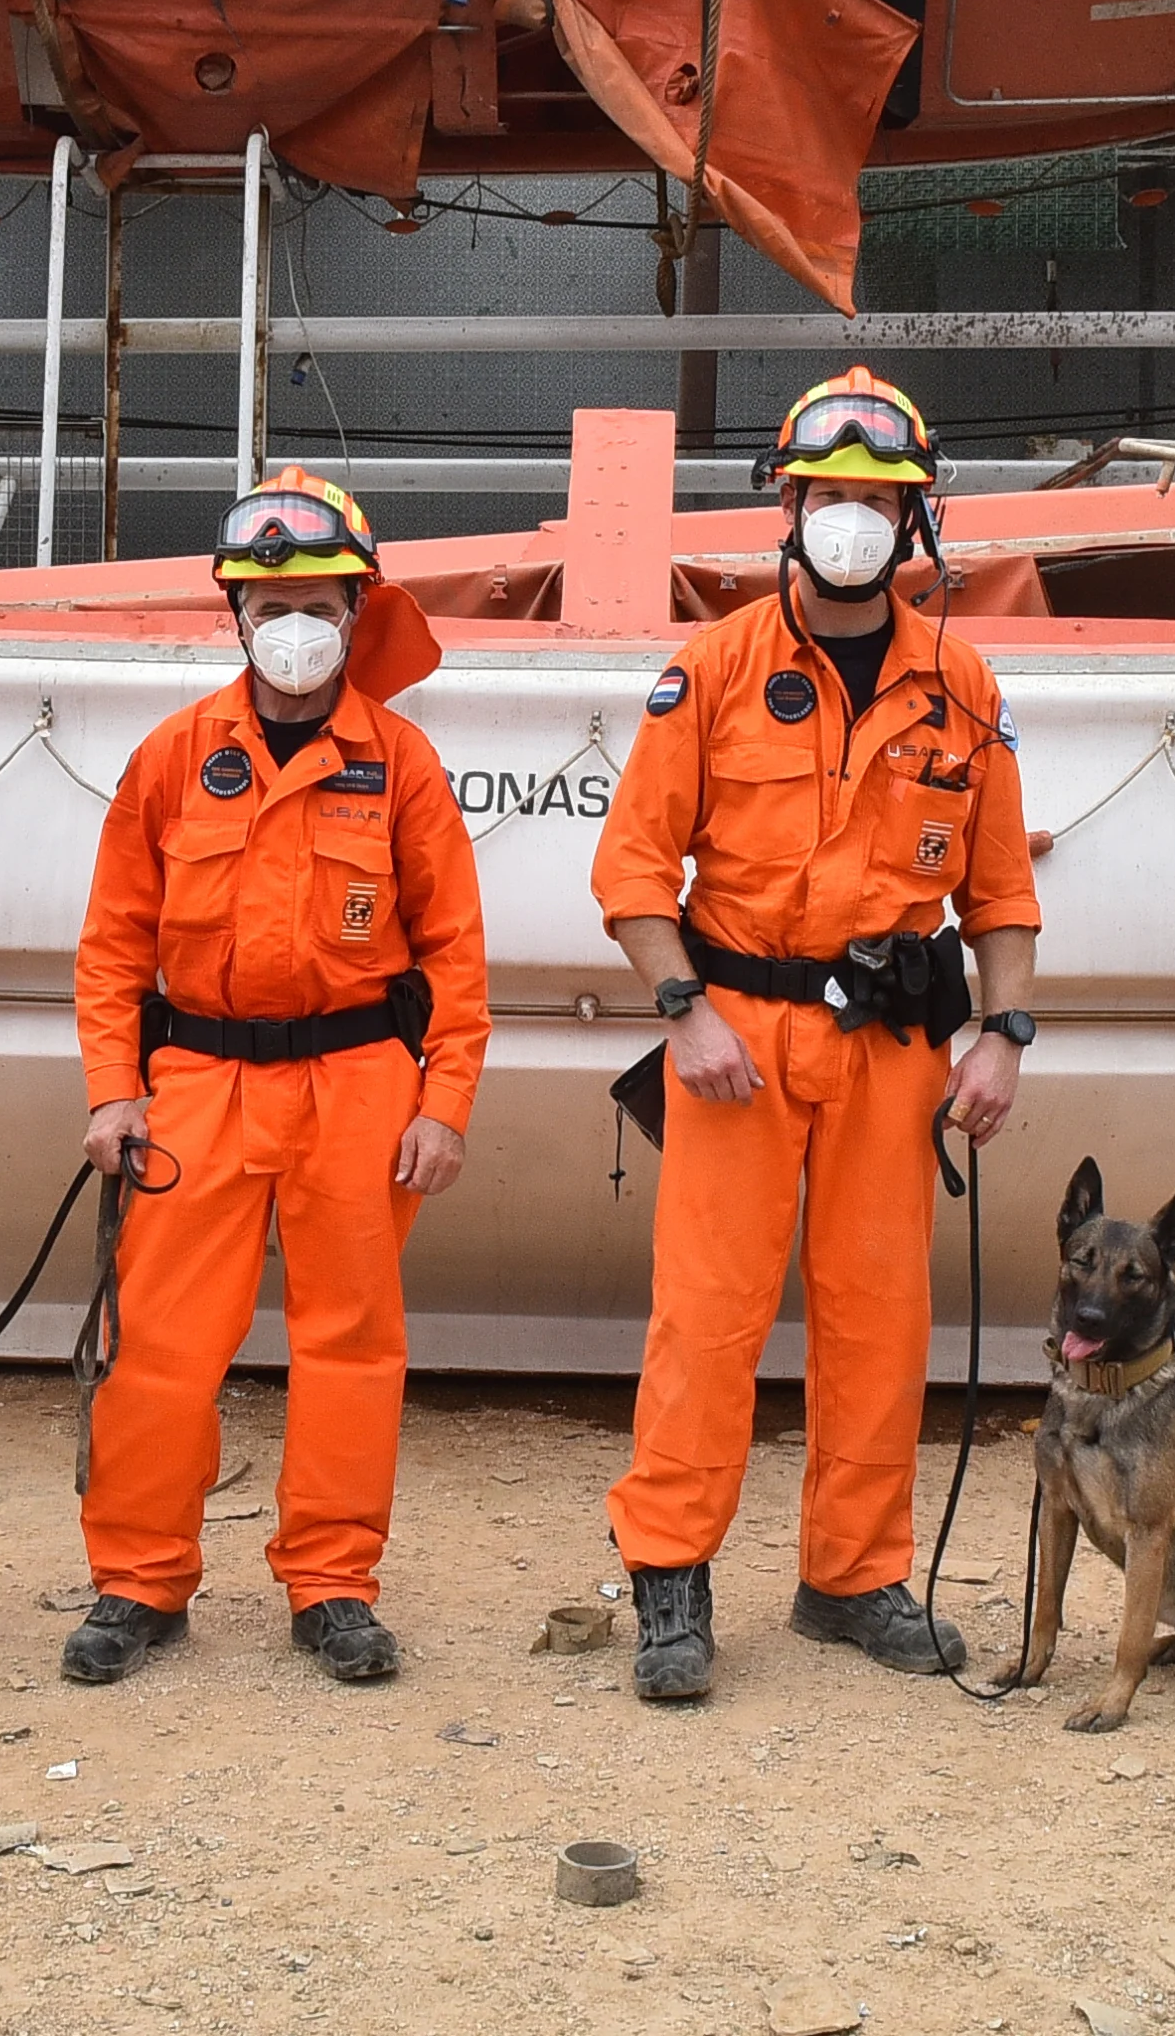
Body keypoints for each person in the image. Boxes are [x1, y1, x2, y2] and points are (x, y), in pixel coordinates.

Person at [588, 368, 1042, 1703]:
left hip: (891, 1061)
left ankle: (854, 1577)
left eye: (875, 499)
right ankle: (670, 1579)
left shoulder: (959, 683)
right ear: (788, 506)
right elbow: (633, 875)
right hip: (737, 1043)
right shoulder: (714, 669)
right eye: (829, 495)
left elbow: (1000, 891)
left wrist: (1002, 1032)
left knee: (879, 1323)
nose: (850, 518)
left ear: (916, 521)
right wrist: (685, 1012)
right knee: (706, 1326)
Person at [61, 468, 490, 1686]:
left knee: (352, 1344)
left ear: (357, 611)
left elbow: (457, 952)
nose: (291, 624)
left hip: (359, 1081)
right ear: (235, 615)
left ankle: (334, 1583)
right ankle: (138, 1580)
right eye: (267, 600)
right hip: (197, 1080)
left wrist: (444, 1103)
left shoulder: (400, 764)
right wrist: (112, 1089)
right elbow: (112, 944)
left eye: (315, 599)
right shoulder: (174, 757)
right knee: (156, 1344)